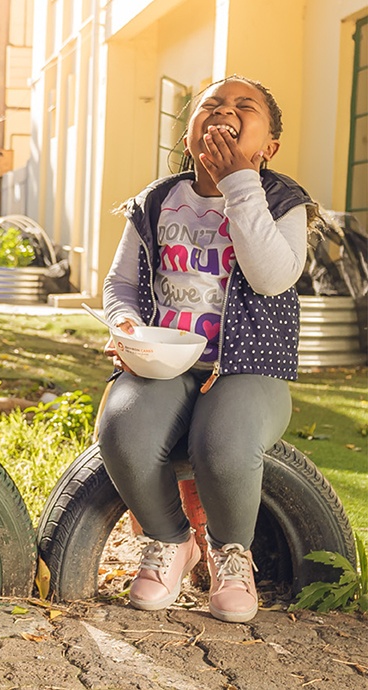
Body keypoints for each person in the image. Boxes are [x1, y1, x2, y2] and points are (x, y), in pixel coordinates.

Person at [98, 75, 316, 623]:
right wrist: (124, 323)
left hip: (248, 366)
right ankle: (172, 539)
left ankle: (230, 552)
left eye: (245, 107)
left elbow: (271, 278)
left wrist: (241, 182)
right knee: (121, 429)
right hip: (166, 359)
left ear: (269, 147)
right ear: (190, 132)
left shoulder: (282, 200)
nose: (225, 111)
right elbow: (121, 284)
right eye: (211, 105)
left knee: (222, 443)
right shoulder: (157, 200)